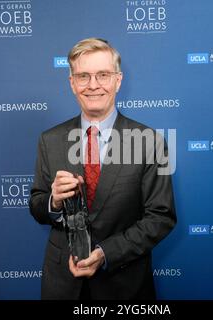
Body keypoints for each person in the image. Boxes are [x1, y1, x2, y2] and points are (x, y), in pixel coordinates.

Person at [29, 37, 176, 300]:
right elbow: (37, 204)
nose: (93, 85)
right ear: (72, 83)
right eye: (83, 76)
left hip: (124, 285)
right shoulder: (49, 140)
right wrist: (54, 202)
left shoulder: (150, 141)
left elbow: (161, 217)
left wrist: (106, 253)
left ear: (118, 81)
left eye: (103, 75)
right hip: (62, 286)